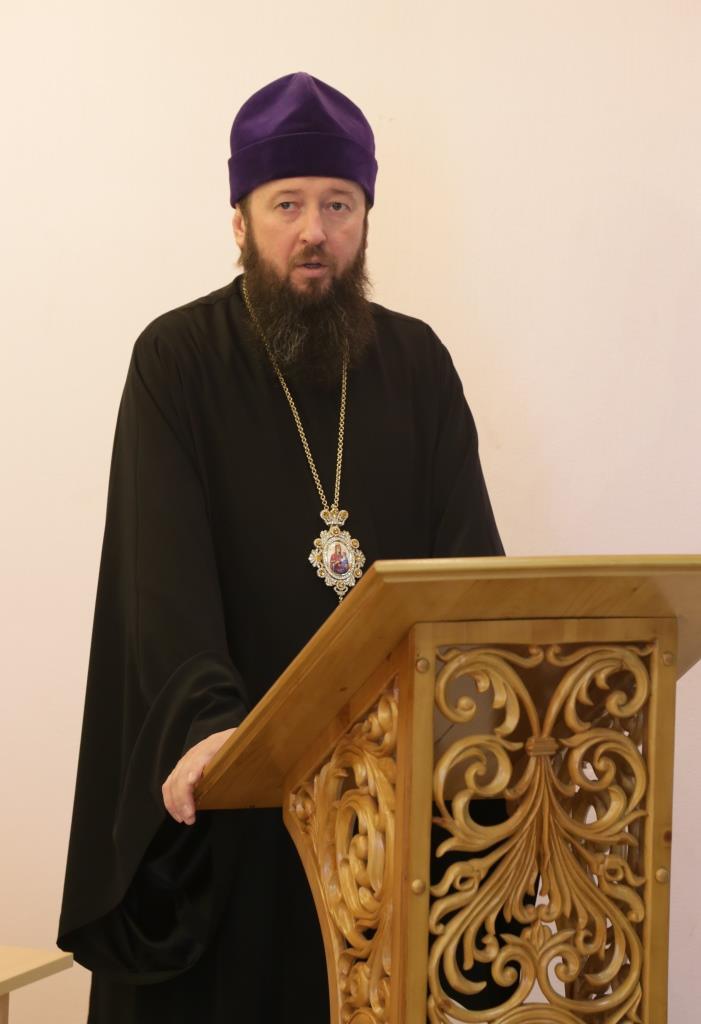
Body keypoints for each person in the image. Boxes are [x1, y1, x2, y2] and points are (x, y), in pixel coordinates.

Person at [58, 72, 505, 1022]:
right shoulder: (177, 359)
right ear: (240, 220)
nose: (314, 231)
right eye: (287, 204)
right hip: (234, 796)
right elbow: (160, 578)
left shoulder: (417, 366)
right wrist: (213, 730)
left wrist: (478, 720)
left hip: (387, 809)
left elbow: (468, 573)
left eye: (338, 205)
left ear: (365, 220)